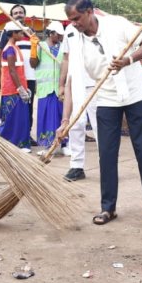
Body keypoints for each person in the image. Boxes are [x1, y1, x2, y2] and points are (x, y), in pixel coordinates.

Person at [56, 0, 142, 225]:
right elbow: (73, 82)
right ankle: (108, 208)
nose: (74, 24)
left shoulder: (117, 24)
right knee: (107, 154)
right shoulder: (75, 40)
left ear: (90, 12)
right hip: (105, 99)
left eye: (77, 18)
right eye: (70, 20)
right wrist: (66, 121)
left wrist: (129, 60)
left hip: (135, 95)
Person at [58, 17, 99, 182]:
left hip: (96, 84)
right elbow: (66, 58)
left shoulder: (96, 28)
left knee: (101, 127)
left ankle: (107, 165)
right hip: (75, 84)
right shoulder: (69, 31)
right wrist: (62, 83)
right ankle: (76, 166)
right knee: (75, 125)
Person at [0, 4, 37, 130]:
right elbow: (0, 51)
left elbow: (35, 52)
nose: (18, 14)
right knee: (11, 106)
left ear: (25, 15)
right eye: (15, 13)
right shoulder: (8, 31)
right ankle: (9, 133)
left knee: (28, 107)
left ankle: (26, 134)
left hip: (29, 75)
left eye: (21, 12)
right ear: (12, 16)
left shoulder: (30, 31)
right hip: (12, 76)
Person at [0, 22, 32, 151]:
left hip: (16, 88)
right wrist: (20, 89)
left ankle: (19, 143)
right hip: (12, 90)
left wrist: (23, 87)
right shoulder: (10, 49)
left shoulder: (14, 47)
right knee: (12, 119)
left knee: (20, 118)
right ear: (13, 33)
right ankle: (9, 142)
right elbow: (12, 70)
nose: (23, 34)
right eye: (20, 32)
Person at [32, 20, 66, 151]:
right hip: (45, 89)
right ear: (51, 34)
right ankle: (46, 145)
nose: (60, 37)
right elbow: (33, 64)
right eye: (58, 34)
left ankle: (63, 144)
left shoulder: (63, 47)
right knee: (45, 116)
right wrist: (33, 50)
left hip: (59, 88)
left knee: (61, 117)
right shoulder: (40, 46)